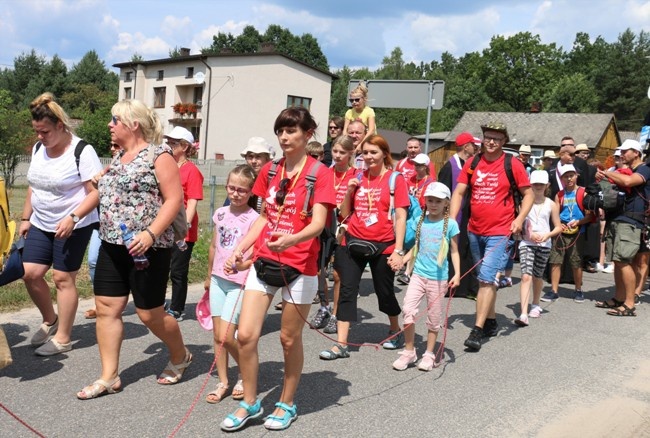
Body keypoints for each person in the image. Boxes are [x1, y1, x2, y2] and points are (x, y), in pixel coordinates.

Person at [219, 107, 334, 432]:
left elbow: (319, 223)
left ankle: (286, 402)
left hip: (301, 266)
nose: (284, 137)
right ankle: (250, 402)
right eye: (280, 130)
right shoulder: (270, 170)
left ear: (308, 134)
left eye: (291, 131)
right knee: (246, 335)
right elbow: (265, 218)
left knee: (287, 338)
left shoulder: (319, 173)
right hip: (264, 261)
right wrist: (242, 247)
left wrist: (293, 239)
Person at [77, 99, 190, 399]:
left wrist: (151, 234)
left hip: (147, 250)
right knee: (106, 310)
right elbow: (103, 195)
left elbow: (173, 200)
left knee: (149, 314)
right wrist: (75, 214)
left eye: (115, 120)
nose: (110, 125)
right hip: (112, 245)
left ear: (133, 124)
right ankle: (109, 375)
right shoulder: (119, 158)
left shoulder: (159, 155)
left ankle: (180, 355)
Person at [20, 92, 103, 356]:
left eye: (44, 131)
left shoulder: (82, 150)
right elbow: (35, 186)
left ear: (60, 125)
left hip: (73, 224)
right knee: (30, 273)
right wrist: (25, 218)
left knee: (62, 278)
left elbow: (96, 192)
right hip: (41, 222)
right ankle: (50, 319)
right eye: (37, 132)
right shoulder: (37, 149)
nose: (40, 137)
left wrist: (74, 217)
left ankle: (64, 337)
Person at [319, 134, 408, 360]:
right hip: (353, 240)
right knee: (347, 289)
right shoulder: (357, 177)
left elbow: (400, 216)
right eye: (365, 153)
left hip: (384, 244)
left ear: (384, 154)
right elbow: (345, 213)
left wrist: (399, 250)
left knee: (384, 290)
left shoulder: (395, 179)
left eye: (373, 152)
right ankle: (341, 345)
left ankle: (395, 330)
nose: (368, 157)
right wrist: (349, 191)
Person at [449, 122, 533, 352]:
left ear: (504, 141)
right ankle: (492, 320)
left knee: (486, 278)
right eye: (488, 137)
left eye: (496, 138)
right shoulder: (473, 162)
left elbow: (528, 195)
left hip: (500, 231)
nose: (491, 142)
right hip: (475, 230)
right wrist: (450, 219)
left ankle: (477, 330)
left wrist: (519, 219)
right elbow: (459, 192)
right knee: (483, 278)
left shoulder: (512, 164)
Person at [204, 164, 259, 403]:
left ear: (251, 192)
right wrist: (208, 276)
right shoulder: (221, 213)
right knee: (218, 336)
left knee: (227, 335)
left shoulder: (254, 219)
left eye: (242, 190)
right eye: (232, 188)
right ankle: (223, 380)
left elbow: (254, 258)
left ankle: (244, 373)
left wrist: (239, 266)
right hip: (217, 280)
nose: (236, 194)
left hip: (239, 283)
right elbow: (214, 247)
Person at [391, 182, 460, 371]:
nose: (433, 204)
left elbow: (454, 251)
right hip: (418, 275)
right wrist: (403, 260)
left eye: (438, 201)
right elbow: (416, 247)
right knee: (408, 310)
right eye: (430, 200)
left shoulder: (451, 225)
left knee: (434, 317)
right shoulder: (421, 221)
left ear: (446, 203)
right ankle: (409, 350)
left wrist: (457, 274)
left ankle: (429, 353)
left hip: (438, 279)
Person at [595, 140, 650, 316]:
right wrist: (605, 177)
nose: (622, 154)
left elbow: (627, 181)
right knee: (618, 261)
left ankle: (629, 304)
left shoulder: (645, 169)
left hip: (631, 221)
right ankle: (619, 298)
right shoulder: (628, 169)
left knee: (625, 261)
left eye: (626, 151)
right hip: (619, 218)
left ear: (636, 153)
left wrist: (606, 173)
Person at [310, 135, 356, 334]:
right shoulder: (325, 173)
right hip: (325, 226)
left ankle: (337, 314)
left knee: (337, 275)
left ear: (350, 153)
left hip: (344, 228)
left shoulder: (355, 175)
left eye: (342, 152)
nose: (337, 156)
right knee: (319, 271)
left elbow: (354, 207)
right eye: (335, 151)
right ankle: (324, 306)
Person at [165, 127, 204, 321]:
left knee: (178, 271)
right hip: (164, 227)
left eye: (174, 142)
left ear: (185, 146)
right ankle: (162, 302)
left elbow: (193, 202)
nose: (169, 145)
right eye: (169, 141)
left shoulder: (192, 171)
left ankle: (177, 308)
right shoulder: (167, 166)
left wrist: (184, 228)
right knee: (163, 268)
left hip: (182, 231)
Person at [514, 171, 562, 325]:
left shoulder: (551, 204)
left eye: (541, 184)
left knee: (537, 276)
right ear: (530, 185)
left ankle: (535, 304)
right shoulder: (524, 202)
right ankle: (523, 314)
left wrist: (547, 235)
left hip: (544, 244)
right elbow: (520, 222)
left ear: (547, 185)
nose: (538, 186)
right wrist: (529, 234)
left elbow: (558, 227)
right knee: (526, 276)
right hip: (527, 243)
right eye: (535, 184)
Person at [542, 164, 594, 303]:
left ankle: (578, 289)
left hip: (578, 232)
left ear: (576, 176)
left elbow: (590, 216)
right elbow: (555, 213)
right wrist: (559, 225)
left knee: (576, 262)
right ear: (562, 178)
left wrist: (578, 222)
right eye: (566, 176)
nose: (569, 178)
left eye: (571, 175)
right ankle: (554, 290)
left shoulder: (584, 193)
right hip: (561, 231)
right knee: (555, 260)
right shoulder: (559, 194)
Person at [438, 132, 480, 299]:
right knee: (455, 250)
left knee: (468, 250)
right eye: (473, 145)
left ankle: (469, 287)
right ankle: (453, 287)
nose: (476, 148)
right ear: (465, 146)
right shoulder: (450, 166)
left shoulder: (472, 164)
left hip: (470, 215)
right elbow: (442, 192)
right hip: (455, 215)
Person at [85, 142, 122, 320]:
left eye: (116, 145)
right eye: (111, 145)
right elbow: (94, 193)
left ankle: (156, 303)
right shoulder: (108, 168)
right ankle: (100, 303)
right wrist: (95, 182)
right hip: (102, 223)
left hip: (127, 228)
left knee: (137, 269)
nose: (113, 148)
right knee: (93, 261)